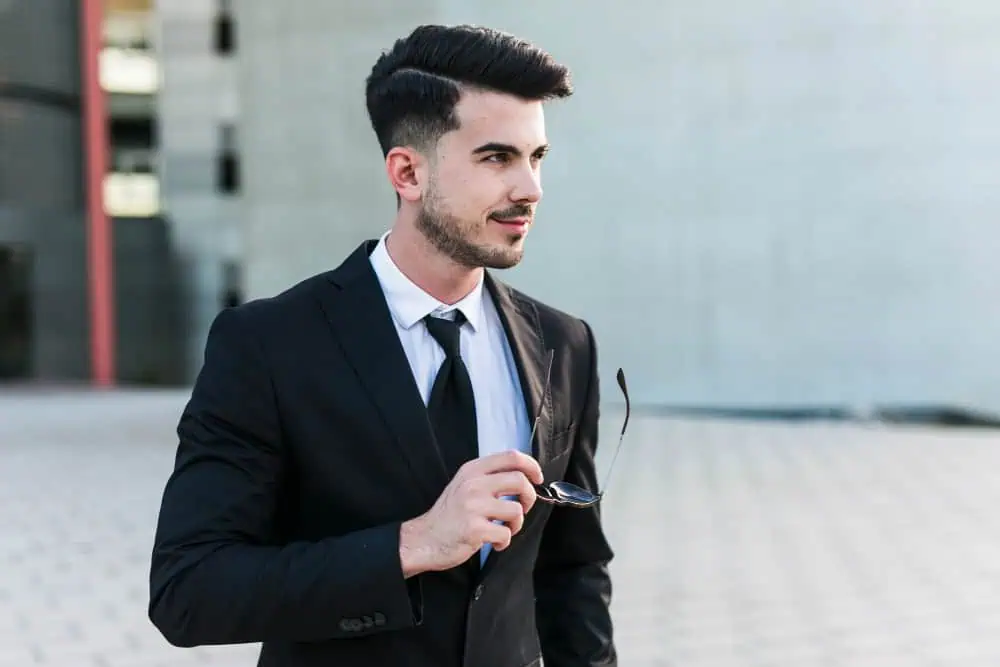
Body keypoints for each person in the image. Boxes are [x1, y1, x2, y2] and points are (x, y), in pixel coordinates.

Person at [148, 23, 616, 667]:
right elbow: (188, 590)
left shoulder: (566, 345)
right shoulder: (267, 346)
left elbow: (574, 572)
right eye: (496, 158)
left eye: (536, 158)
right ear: (407, 172)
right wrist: (413, 544)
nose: (530, 189)